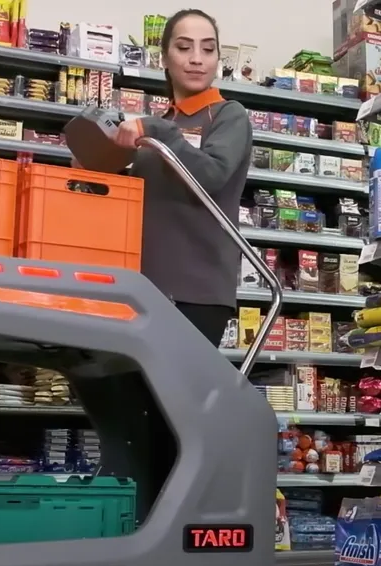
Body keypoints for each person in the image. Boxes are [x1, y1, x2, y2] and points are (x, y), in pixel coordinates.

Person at [108, 10, 254, 344]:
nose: (196, 59)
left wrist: (157, 129)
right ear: (165, 58)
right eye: (184, 47)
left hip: (197, 293)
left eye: (208, 49)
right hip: (145, 286)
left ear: (218, 58)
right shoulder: (158, 127)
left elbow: (211, 174)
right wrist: (100, 158)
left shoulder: (228, 115)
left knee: (170, 394)